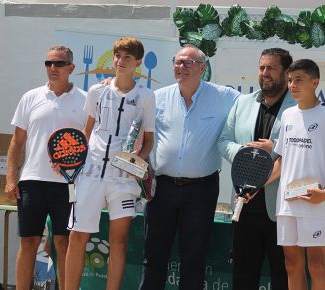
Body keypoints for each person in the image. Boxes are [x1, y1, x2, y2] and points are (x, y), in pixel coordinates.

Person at [139, 45, 240, 290]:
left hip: (201, 190)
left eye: (188, 63)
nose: (181, 67)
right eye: (177, 62)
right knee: (153, 256)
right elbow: (140, 135)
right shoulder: (157, 97)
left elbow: (257, 104)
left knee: (194, 258)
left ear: (203, 69)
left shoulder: (225, 96)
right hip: (161, 188)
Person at [64, 36, 155, 290]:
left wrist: (137, 162)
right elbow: (86, 130)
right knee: (77, 236)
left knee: (119, 241)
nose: (121, 61)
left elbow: (149, 140)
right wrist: (74, 160)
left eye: (127, 57)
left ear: (138, 62)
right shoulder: (97, 90)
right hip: (90, 173)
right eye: (118, 56)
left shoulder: (146, 96)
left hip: (123, 179)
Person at [5, 45, 86, 290]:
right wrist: (11, 179)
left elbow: (90, 143)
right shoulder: (31, 97)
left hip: (69, 184)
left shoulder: (85, 100)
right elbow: (17, 142)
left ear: (71, 68)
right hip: (31, 181)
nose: (53, 68)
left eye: (59, 63)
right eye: (48, 63)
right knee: (29, 242)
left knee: (64, 243)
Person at [266, 59, 325, 290]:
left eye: (299, 80)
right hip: (287, 204)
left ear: (315, 82)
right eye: (290, 80)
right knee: (291, 264)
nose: (292, 85)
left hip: (316, 203)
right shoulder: (288, 116)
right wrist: (256, 186)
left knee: (316, 265)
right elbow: (282, 160)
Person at [218, 47, 294, 290]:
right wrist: (244, 155)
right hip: (245, 204)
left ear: (286, 72)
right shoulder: (243, 103)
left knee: (283, 276)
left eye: (271, 68)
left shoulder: (297, 107)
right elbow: (223, 141)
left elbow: (306, 150)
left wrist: (275, 148)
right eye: (262, 68)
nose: (265, 73)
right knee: (243, 275)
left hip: (281, 209)